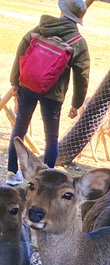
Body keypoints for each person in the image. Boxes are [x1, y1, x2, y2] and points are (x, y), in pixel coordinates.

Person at [6, 0, 90, 185]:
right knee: (51, 137)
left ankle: (13, 173)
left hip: (27, 86)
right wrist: (76, 103)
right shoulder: (78, 42)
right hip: (54, 95)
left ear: (62, 11)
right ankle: (47, 179)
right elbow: (82, 75)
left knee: (19, 127)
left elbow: (21, 51)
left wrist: (15, 82)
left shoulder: (40, 28)